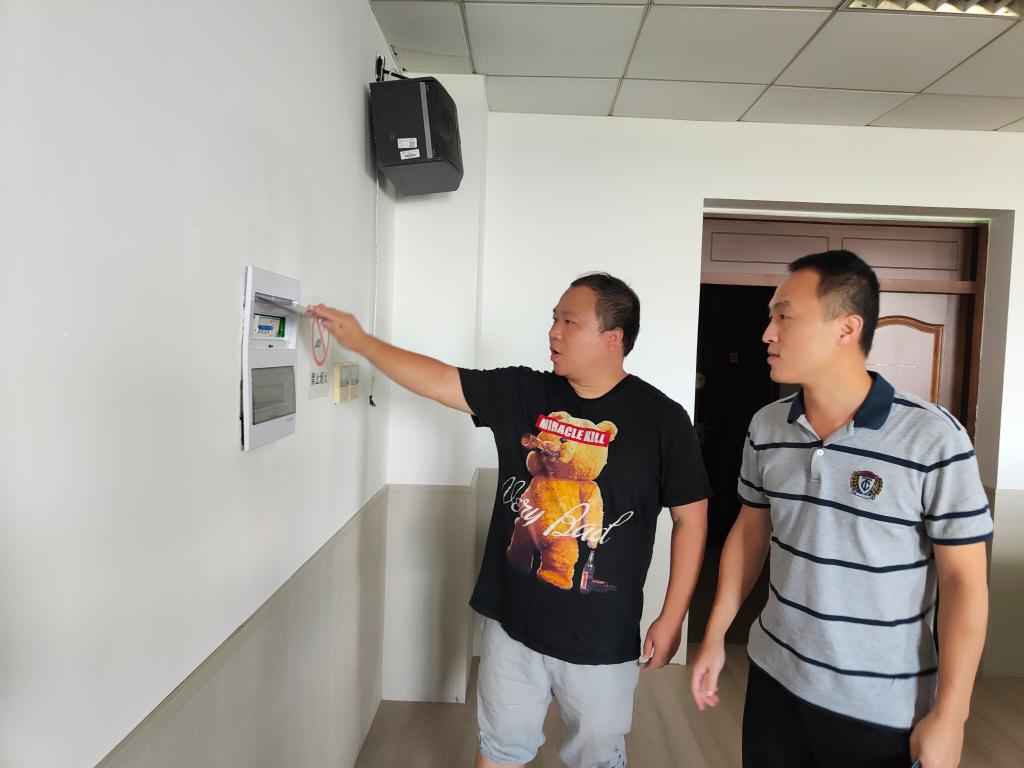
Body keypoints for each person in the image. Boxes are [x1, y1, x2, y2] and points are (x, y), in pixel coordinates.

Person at [312, 272, 710, 768]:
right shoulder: (524, 390)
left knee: (597, 760)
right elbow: (441, 381)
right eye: (554, 319)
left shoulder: (662, 419)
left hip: (602, 638)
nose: (554, 332)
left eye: (569, 322)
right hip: (512, 622)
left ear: (613, 338)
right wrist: (363, 342)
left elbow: (691, 520)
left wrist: (672, 617)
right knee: (500, 749)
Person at [689, 250, 992, 768]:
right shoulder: (767, 426)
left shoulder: (934, 438)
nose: (767, 333)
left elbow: (964, 582)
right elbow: (750, 534)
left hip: (879, 705)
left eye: (784, 317)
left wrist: (951, 714)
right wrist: (715, 635)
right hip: (774, 678)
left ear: (847, 328)